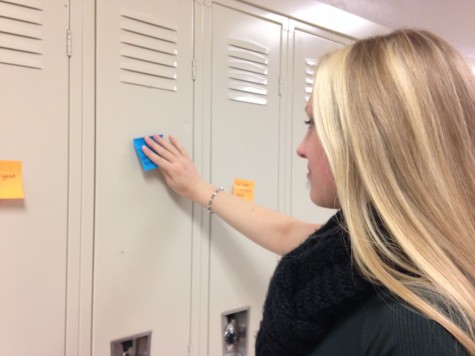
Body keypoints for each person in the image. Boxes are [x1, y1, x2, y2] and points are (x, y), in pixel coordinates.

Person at [142, 29, 475, 355]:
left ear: (371, 140)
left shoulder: (418, 325)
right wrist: (198, 188)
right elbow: (288, 232)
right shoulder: (390, 246)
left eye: (313, 124)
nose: (302, 149)